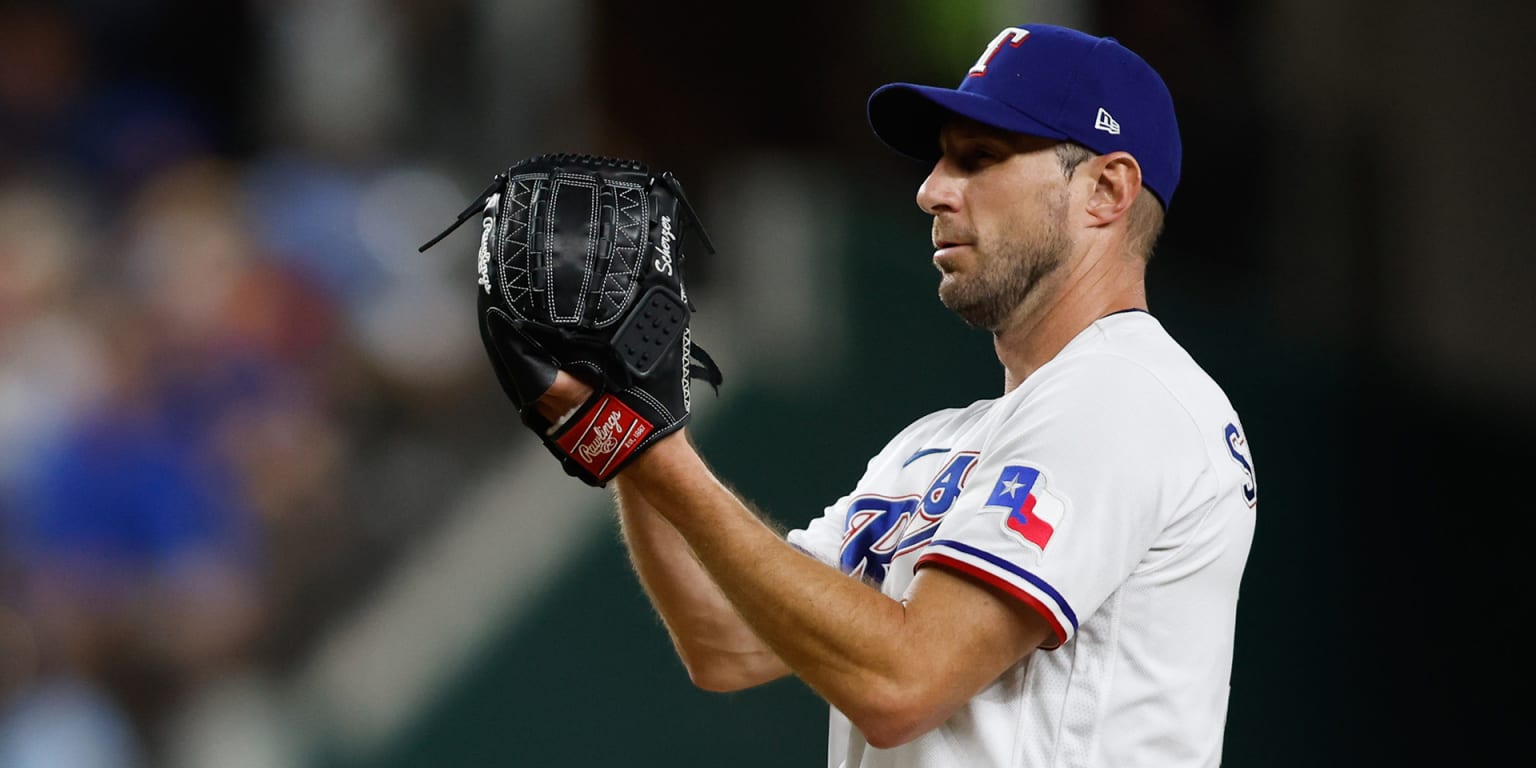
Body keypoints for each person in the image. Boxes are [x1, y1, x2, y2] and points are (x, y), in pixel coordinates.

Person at [534, 23, 1257, 768]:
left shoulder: (1129, 394)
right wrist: (629, 426)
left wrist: (659, 458)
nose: (931, 189)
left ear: (1106, 190)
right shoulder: (935, 443)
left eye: (979, 158)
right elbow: (726, 640)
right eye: (941, 158)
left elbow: (904, 685)